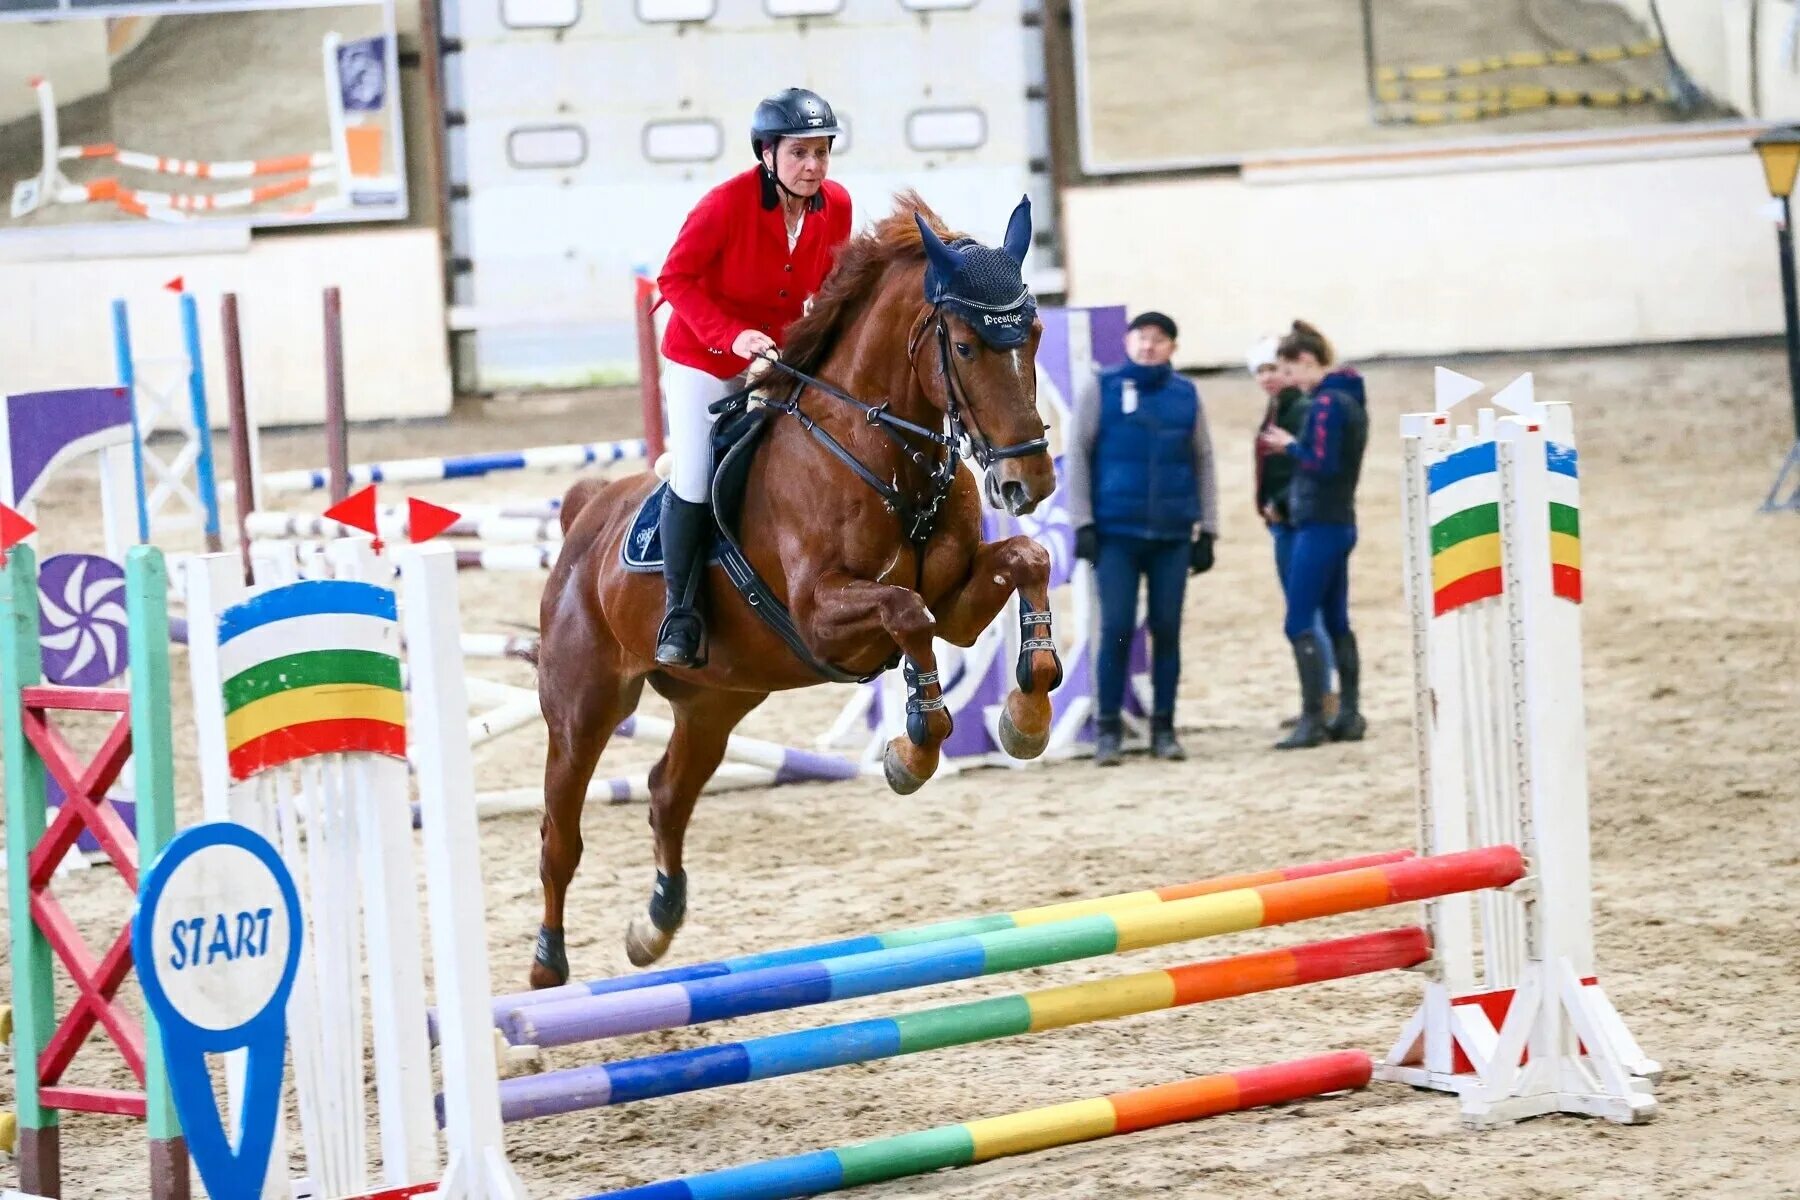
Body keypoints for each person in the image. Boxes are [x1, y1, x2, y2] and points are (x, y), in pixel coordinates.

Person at [652, 87, 852, 668]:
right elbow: (675, 279)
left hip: (779, 357)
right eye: (800, 153)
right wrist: (733, 336)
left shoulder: (836, 204)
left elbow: (835, 285)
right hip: (704, 359)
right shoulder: (723, 205)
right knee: (693, 474)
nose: (813, 166)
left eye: (821, 152)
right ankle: (680, 612)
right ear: (768, 154)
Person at [1069, 311, 1218, 766]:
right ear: (1128, 342)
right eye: (1141, 338)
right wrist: (1083, 523)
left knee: (1167, 630)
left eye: (1158, 340)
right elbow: (1077, 454)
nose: (1148, 346)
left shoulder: (1186, 395)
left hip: (1172, 534)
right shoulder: (1103, 389)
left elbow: (1204, 460)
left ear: (1172, 347)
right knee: (1115, 629)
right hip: (1115, 534)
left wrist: (1208, 529)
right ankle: (1108, 729)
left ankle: (1165, 729)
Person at [1256, 320, 1367, 750]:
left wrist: (1289, 446)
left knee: (1299, 620)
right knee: (1336, 619)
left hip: (1319, 522)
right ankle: (1349, 712)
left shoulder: (1325, 404)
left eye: (1289, 370)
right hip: (1339, 520)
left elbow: (1321, 462)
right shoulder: (1350, 397)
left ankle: (1313, 719)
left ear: (1306, 362)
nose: (1287, 381)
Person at [1249, 336, 1338, 727]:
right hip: (1284, 521)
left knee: (1307, 616)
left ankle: (1322, 701)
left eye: (1273, 369)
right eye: (1261, 371)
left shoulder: (1298, 408)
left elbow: (1306, 467)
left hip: (1295, 521)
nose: (1268, 378)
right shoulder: (1280, 406)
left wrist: (1281, 504)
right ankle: (1320, 697)